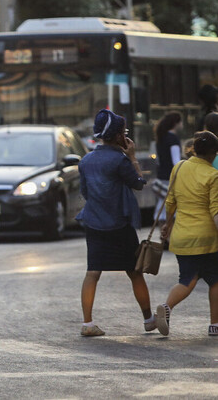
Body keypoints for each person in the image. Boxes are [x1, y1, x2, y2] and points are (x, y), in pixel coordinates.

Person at [74, 109, 156, 337]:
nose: (125, 136)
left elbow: (85, 192)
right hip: (121, 224)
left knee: (92, 272)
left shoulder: (86, 161)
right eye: (124, 132)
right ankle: (149, 319)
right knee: (134, 272)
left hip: (94, 223)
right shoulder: (120, 160)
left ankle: (87, 323)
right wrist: (132, 156)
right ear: (118, 135)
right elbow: (139, 183)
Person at [155, 131, 218, 338]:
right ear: (213, 154)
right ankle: (214, 325)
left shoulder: (179, 167)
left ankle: (167, 306)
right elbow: (215, 210)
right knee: (216, 281)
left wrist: (168, 224)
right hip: (208, 238)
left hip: (182, 236)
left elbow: (170, 200)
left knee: (187, 280)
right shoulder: (213, 175)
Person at [154, 112, 183, 222]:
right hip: (171, 177)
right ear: (176, 123)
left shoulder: (161, 137)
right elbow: (176, 161)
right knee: (170, 206)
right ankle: (168, 234)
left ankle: (163, 234)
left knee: (161, 206)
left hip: (161, 176)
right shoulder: (173, 139)